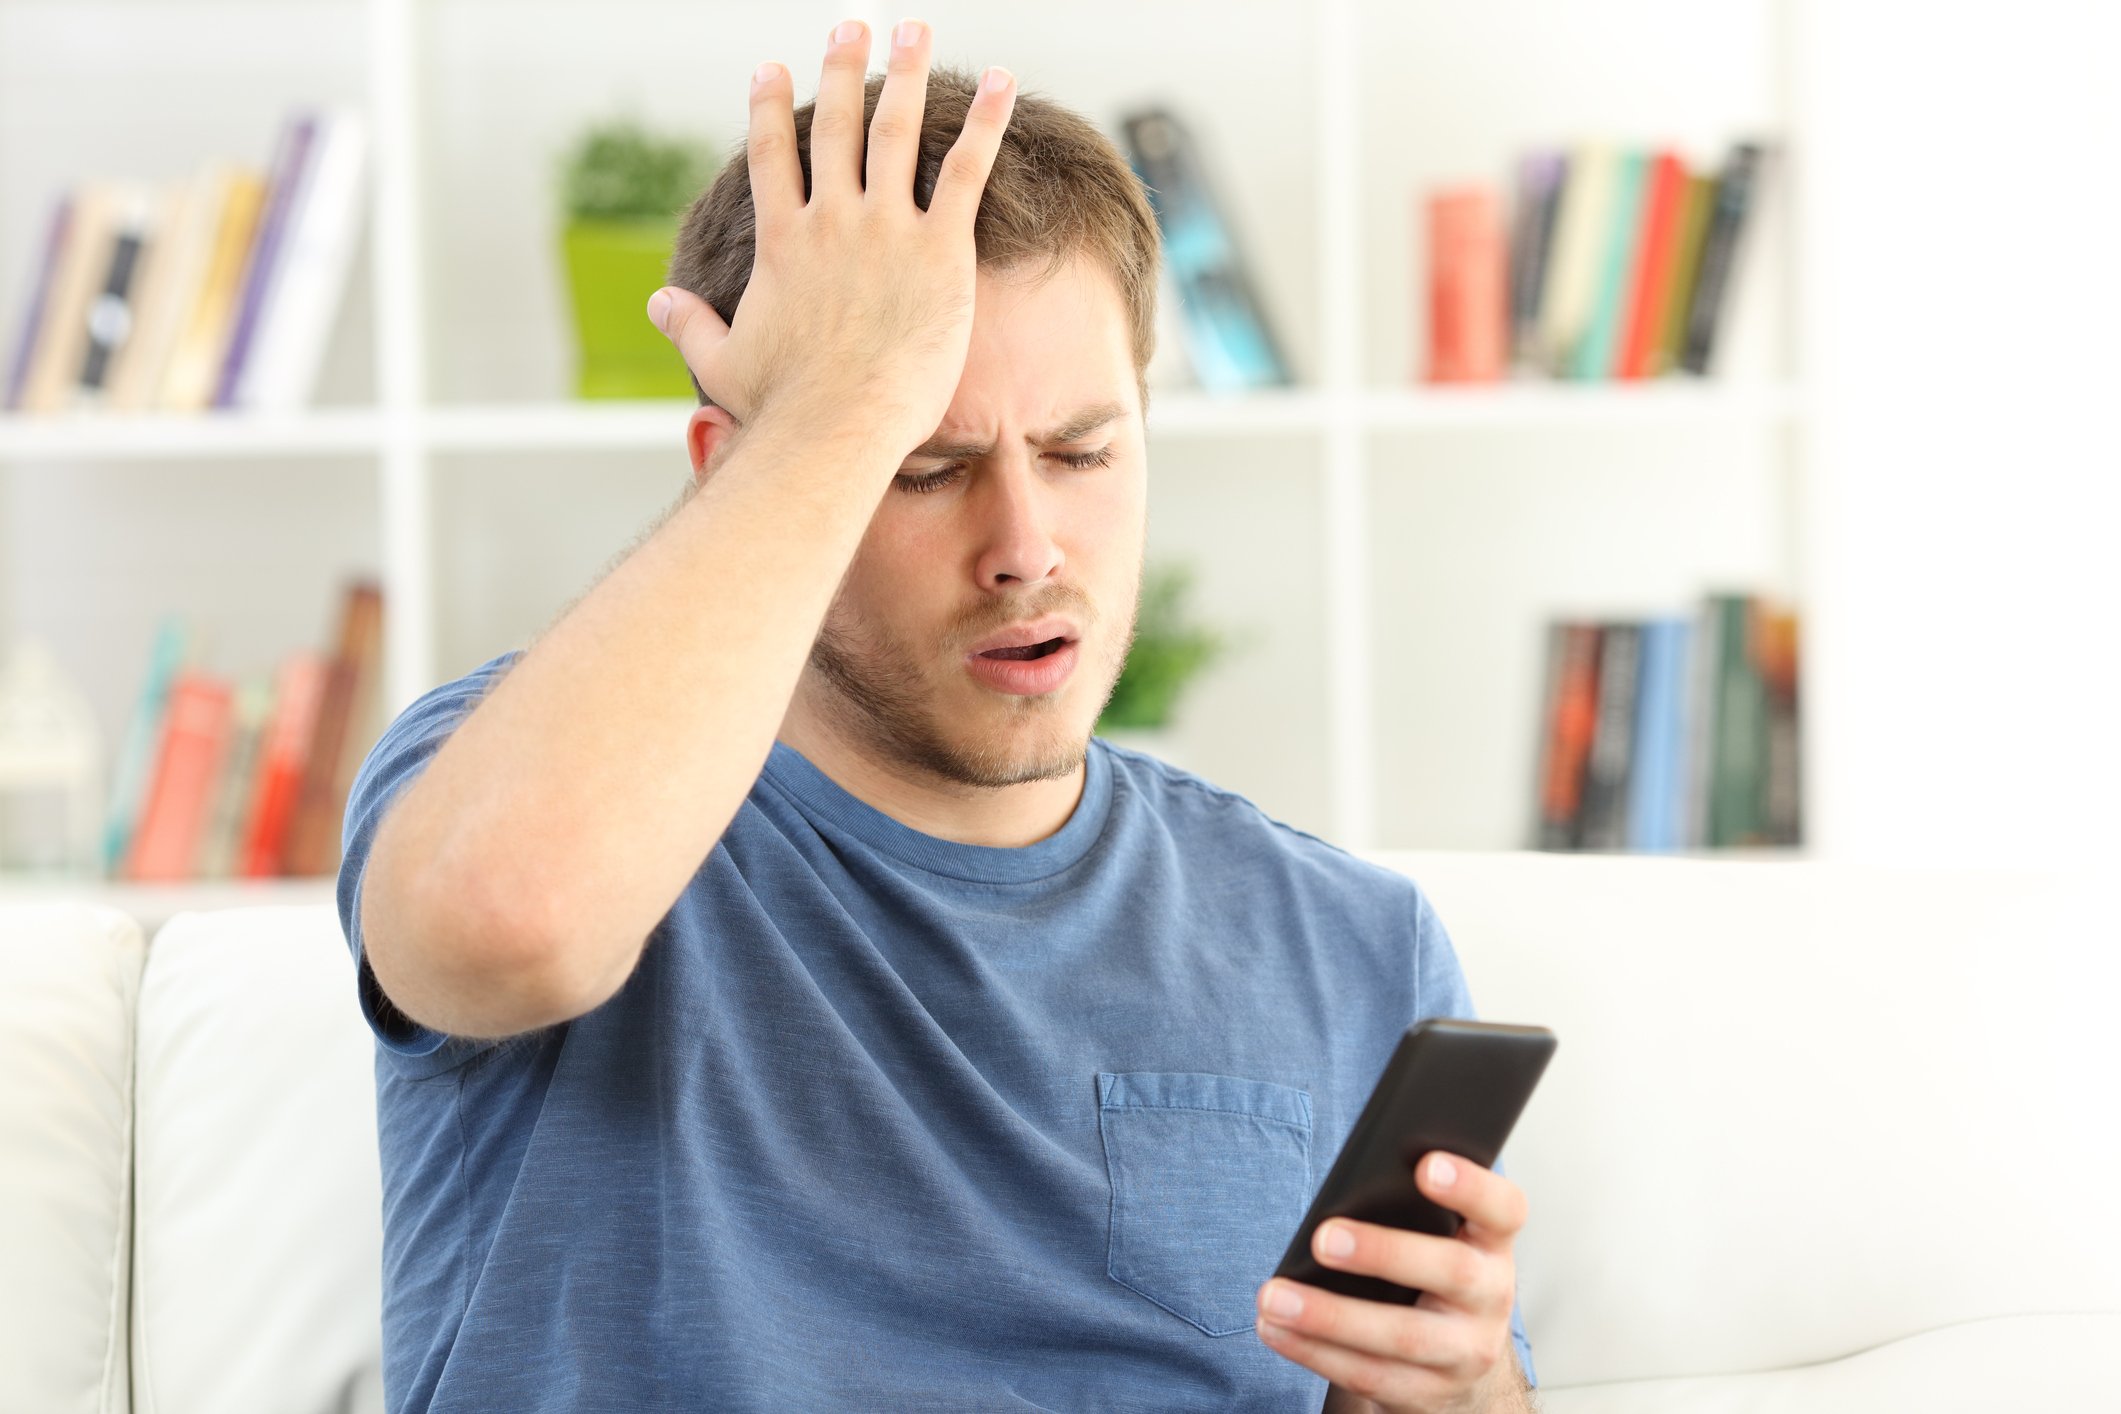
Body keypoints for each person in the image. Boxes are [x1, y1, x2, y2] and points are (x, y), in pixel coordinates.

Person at [339, 19, 1538, 1414]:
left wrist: (1459, 1394)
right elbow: (505, 925)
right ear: (742, 468)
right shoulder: (512, 780)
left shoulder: (1351, 944)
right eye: (923, 465)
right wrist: (839, 399)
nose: (1026, 546)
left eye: (1081, 451)